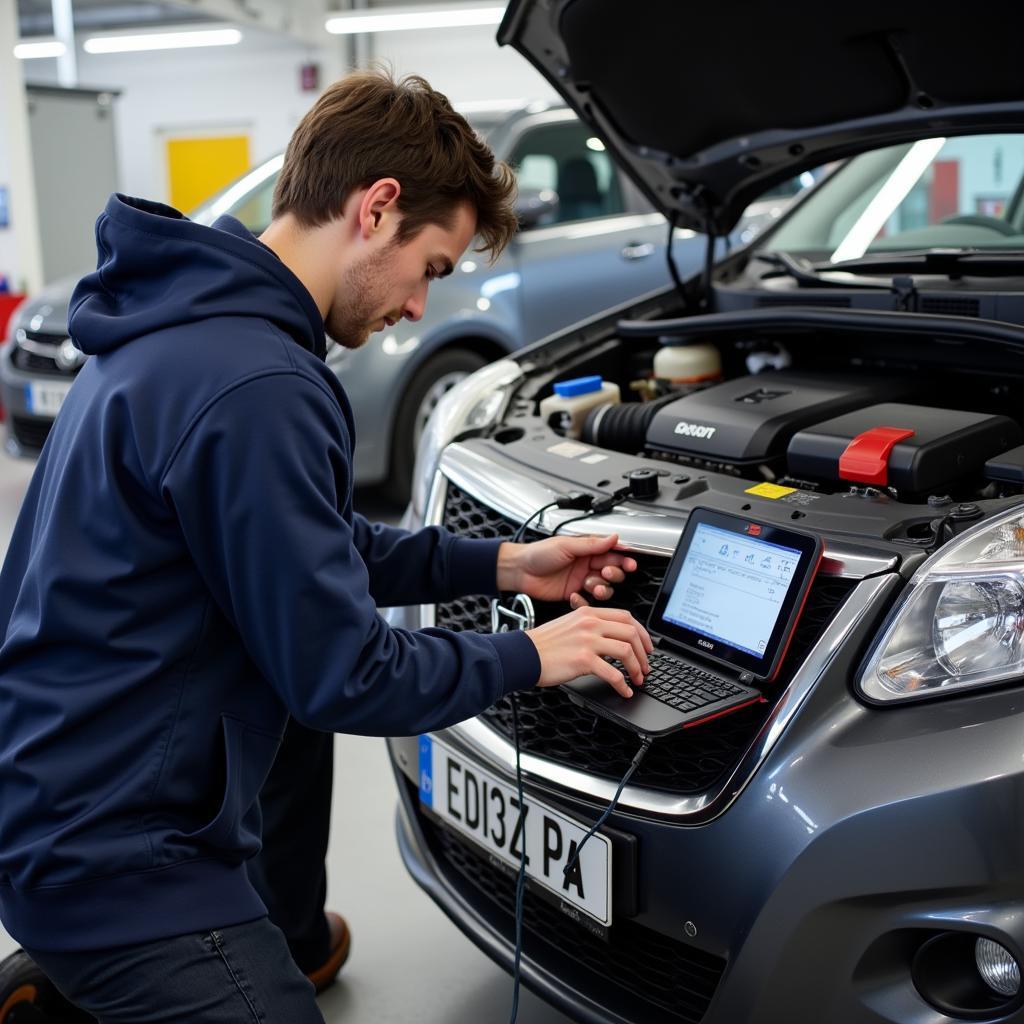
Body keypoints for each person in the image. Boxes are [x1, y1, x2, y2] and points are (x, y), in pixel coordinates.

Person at [0, 69, 652, 1023]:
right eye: (432, 268)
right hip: (122, 857)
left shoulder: (178, 329)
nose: (421, 309)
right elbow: (343, 676)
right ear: (378, 209)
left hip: (54, 796)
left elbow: (305, 543)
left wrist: (502, 565)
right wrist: (529, 655)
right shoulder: (259, 383)